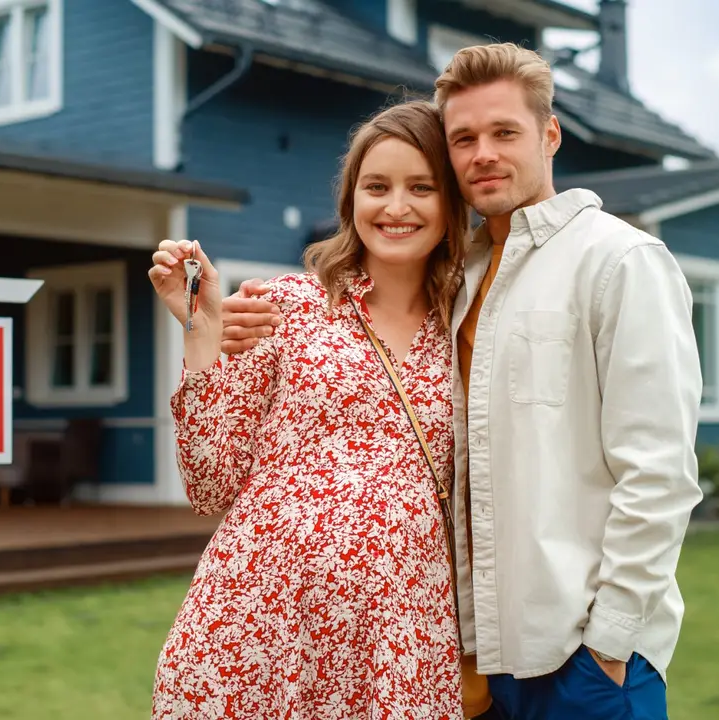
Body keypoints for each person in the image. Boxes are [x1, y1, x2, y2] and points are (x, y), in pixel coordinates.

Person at [220, 42, 704, 720]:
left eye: (505, 132)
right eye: (464, 138)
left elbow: (658, 472)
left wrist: (611, 641)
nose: (484, 154)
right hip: (474, 660)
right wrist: (232, 328)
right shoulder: (462, 277)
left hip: (583, 659)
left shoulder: (619, 261)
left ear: (550, 135)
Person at [146, 100, 476, 719]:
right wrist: (201, 327)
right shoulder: (285, 305)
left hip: (397, 638)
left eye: (421, 187)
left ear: (451, 202)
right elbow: (209, 481)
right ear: (352, 198)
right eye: (376, 186)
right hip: (259, 628)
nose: (396, 207)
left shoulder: (473, 324)